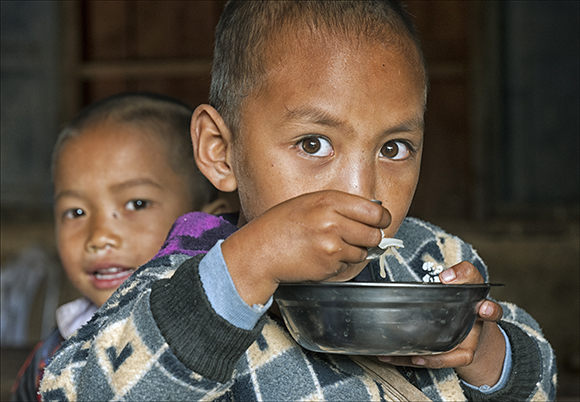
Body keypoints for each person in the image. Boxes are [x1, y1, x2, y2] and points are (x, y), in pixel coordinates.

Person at [39, 2, 557, 401]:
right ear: (221, 152)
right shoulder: (183, 283)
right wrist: (249, 264)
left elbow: (541, 381)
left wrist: (484, 353)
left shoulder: (433, 260)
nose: (361, 191)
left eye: (394, 149)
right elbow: (75, 389)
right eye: (313, 144)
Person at [11, 92, 232, 401]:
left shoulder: (236, 342)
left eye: (136, 204)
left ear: (210, 222)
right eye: (76, 212)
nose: (99, 237)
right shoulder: (53, 356)